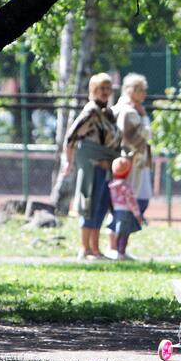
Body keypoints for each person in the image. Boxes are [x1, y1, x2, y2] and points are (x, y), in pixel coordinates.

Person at [63, 73, 121, 260]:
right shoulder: (91, 110)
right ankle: (85, 248)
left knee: (101, 207)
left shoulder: (109, 113)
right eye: (101, 88)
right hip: (92, 167)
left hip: (107, 167)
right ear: (93, 90)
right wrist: (69, 161)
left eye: (107, 88)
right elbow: (71, 137)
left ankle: (95, 249)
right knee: (89, 203)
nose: (105, 92)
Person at [108, 73, 153, 259]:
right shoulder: (129, 112)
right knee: (130, 202)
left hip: (125, 163)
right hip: (131, 164)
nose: (143, 93)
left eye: (143, 89)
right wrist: (144, 119)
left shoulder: (120, 108)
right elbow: (139, 138)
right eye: (138, 89)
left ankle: (117, 247)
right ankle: (118, 248)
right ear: (128, 90)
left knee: (121, 204)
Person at [107, 157, 143, 261]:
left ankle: (119, 251)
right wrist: (137, 214)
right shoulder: (126, 186)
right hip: (126, 212)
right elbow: (131, 201)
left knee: (119, 232)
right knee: (125, 233)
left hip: (116, 212)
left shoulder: (111, 185)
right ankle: (121, 252)